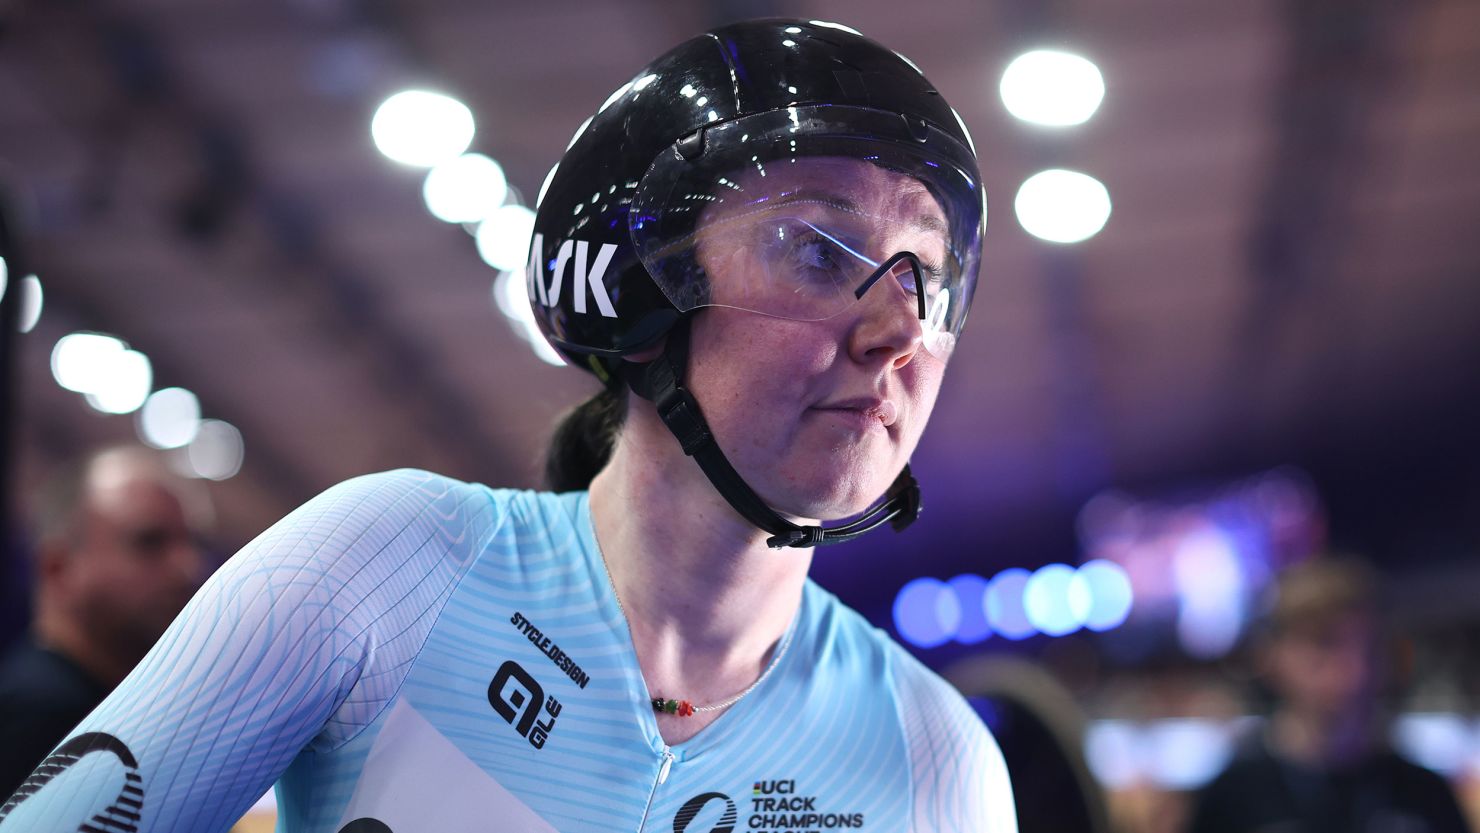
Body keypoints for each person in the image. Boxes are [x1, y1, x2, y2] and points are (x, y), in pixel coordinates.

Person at [0, 19, 1016, 831]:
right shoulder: (388, 563)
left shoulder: (937, 764)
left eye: (924, 273)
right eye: (818, 248)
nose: (899, 329)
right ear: (639, 294)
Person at [1185, 557, 1471, 833]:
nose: (1354, 667)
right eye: (1325, 643)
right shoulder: (1233, 795)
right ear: (1272, 655)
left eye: (1369, 646)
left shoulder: (1424, 793)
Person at [0, 446, 207, 799]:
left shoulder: (120, 715)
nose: (188, 568)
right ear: (58, 568)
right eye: (149, 542)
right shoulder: (31, 722)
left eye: (190, 542)